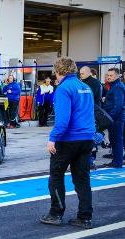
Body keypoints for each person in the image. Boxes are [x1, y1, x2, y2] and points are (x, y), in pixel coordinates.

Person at [40, 57, 96, 229]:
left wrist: (52, 138)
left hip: (68, 140)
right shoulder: (85, 87)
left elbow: (62, 121)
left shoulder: (63, 88)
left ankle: (56, 213)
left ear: (59, 71)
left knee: (56, 177)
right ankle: (85, 217)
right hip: (87, 138)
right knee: (82, 179)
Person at [103, 68, 124, 168]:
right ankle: (116, 159)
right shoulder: (114, 86)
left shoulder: (118, 87)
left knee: (117, 139)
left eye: (111, 75)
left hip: (116, 118)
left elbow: (119, 105)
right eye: (108, 75)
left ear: (117, 76)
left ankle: (117, 162)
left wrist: (109, 117)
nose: (108, 77)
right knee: (114, 139)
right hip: (114, 118)